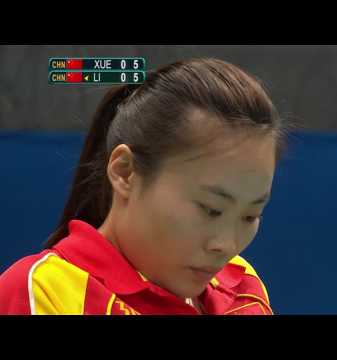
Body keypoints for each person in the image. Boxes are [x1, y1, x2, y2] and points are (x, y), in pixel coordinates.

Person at [0, 58, 287, 315]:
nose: (226, 245)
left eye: (250, 216)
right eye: (211, 210)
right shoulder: (43, 292)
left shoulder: (243, 287)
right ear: (125, 171)